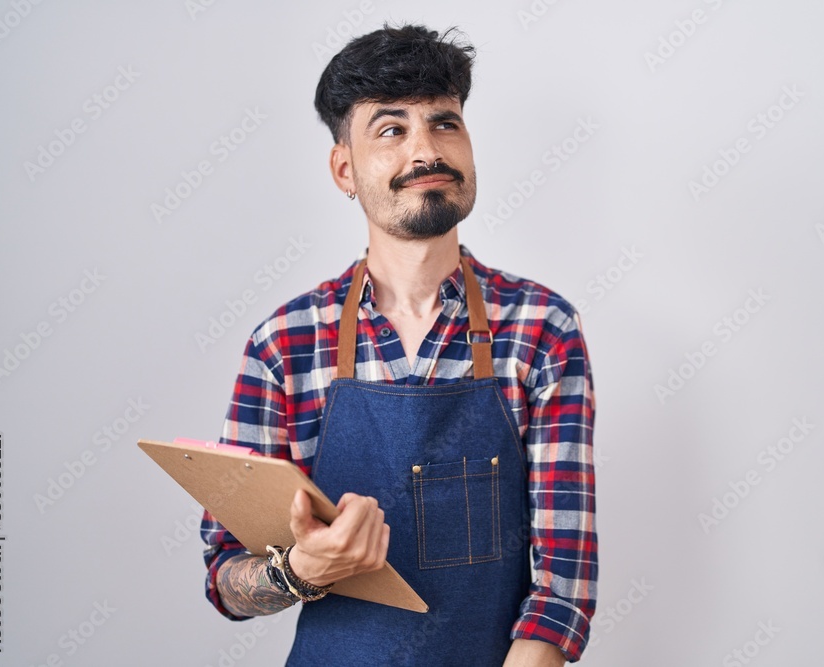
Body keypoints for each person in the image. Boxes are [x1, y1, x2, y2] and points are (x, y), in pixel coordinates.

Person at [200, 23, 597, 666]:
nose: (427, 150)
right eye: (391, 129)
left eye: (445, 123)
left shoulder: (541, 328)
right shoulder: (285, 342)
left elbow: (562, 586)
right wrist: (300, 569)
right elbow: (226, 575)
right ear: (344, 168)